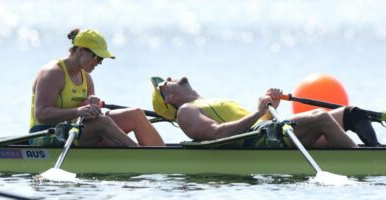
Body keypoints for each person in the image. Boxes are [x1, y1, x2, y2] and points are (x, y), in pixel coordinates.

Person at [150, 76, 381, 148]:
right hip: (257, 141)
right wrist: (258, 112)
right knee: (320, 117)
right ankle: (370, 165)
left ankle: (376, 152)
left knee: (352, 114)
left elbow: (257, 121)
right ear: (169, 99)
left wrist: (271, 109)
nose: (169, 79)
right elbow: (218, 134)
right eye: (164, 84)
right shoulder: (186, 112)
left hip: (265, 131)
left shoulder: (209, 101)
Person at [29, 28, 164, 147]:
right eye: (97, 57)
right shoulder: (52, 73)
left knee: (135, 114)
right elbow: (41, 114)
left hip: (75, 130)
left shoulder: (86, 78)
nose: (99, 63)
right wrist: (78, 111)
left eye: (101, 59)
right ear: (81, 51)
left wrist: (92, 109)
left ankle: (163, 157)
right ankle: (140, 155)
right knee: (103, 123)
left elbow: (91, 118)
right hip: (44, 134)